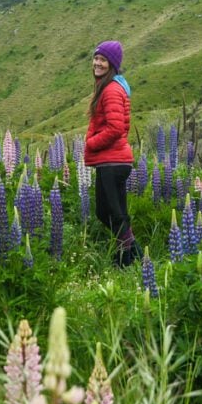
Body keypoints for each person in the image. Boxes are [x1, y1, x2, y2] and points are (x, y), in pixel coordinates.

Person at [84, 40, 142, 267]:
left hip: (113, 161)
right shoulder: (109, 88)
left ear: (112, 64)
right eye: (96, 58)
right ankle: (134, 255)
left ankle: (125, 261)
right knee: (109, 213)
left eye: (103, 60)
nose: (97, 63)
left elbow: (116, 128)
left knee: (113, 214)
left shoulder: (111, 90)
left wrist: (91, 143)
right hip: (112, 161)